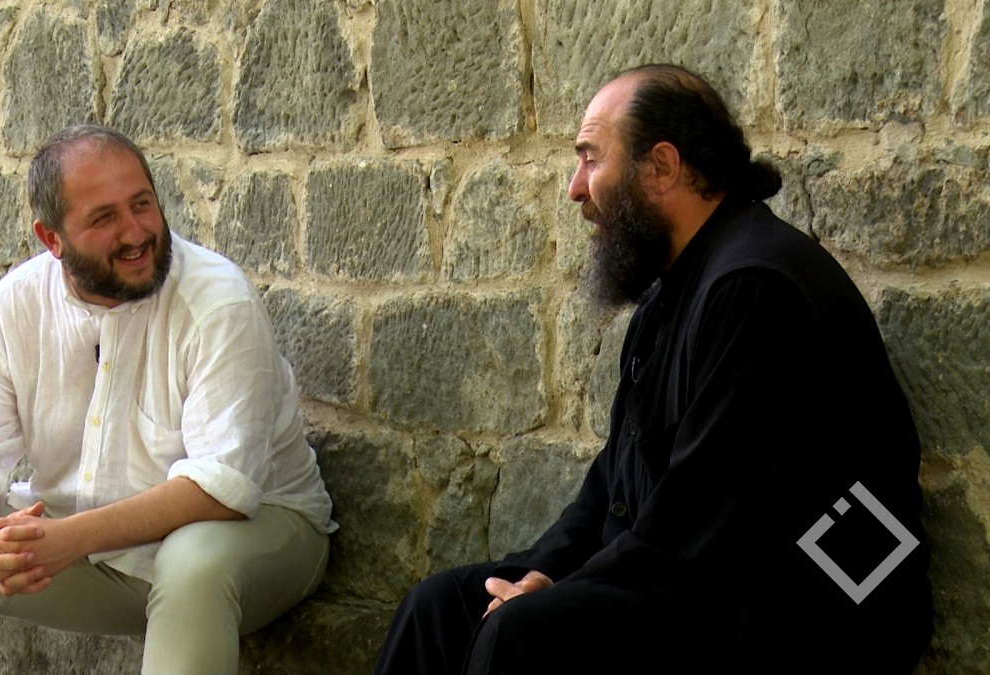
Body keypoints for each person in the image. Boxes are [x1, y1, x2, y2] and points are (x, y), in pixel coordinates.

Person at [373, 64, 932, 674]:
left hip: (808, 612)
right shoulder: (671, 297)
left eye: (591, 159)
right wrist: (543, 573)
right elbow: (610, 493)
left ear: (661, 167)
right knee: (440, 609)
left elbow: (704, 521)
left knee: (521, 635)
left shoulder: (754, 289)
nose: (575, 189)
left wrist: (559, 597)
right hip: (702, 581)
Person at [0, 124, 336, 674]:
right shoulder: (15, 305)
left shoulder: (220, 302)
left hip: (262, 535)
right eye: (103, 218)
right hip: (95, 553)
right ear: (51, 239)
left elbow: (223, 488)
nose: (135, 232)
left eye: (142, 204)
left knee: (193, 560)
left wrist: (69, 538)